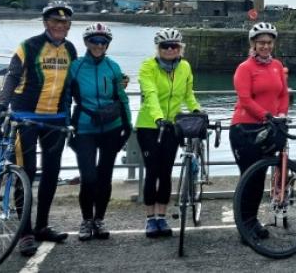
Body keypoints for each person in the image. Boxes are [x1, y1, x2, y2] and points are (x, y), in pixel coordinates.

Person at [0, 1, 77, 256]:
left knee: (52, 172)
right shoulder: (28, 46)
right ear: (45, 23)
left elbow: (72, 84)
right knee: (25, 172)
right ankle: (25, 232)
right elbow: (11, 77)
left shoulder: (71, 50)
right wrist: (0, 106)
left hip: (56, 119)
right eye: (55, 21)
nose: (59, 26)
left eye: (64, 23)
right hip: (25, 117)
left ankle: (42, 226)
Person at [136, 28, 201, 238]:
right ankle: (149, 219)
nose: (170, 49)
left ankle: (161, 217)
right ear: (158, 48)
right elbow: (151, 94)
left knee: (165, 173)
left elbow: (188, 94)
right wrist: (157, 117)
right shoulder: (148, 67)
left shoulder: (185, 67)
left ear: (180, 48)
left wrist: (197, 110)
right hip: (149, 126)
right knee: (152, 172)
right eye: (165, 46)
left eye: (174, 46)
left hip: (173, 126)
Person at [68, 22, 130, 241]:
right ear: (86, 42)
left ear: (107, 44)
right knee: (89, 176)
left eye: (103, 41)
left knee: (104, 176)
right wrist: (67, 126)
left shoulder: (113, 67)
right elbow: (66, 97)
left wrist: (127, 125)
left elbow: (122, 97)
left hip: (111, 128)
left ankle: (99, 219)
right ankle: (86, 220)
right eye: (94, 41)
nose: (98, 45)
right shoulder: (75, 67)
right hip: (84, 127)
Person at [231, 22, 289, 241]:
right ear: (253, 44)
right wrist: (266, 115)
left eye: (269, 42)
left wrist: (281, 115)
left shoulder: (276, 65)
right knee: (249, 177)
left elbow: (283, 94)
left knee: (259, 178)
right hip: (244, 128)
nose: (265, 46)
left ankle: (252, 220)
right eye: (261, 43)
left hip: (269, 127)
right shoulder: (245, 68)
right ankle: (244, 226)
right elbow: (245, 99)